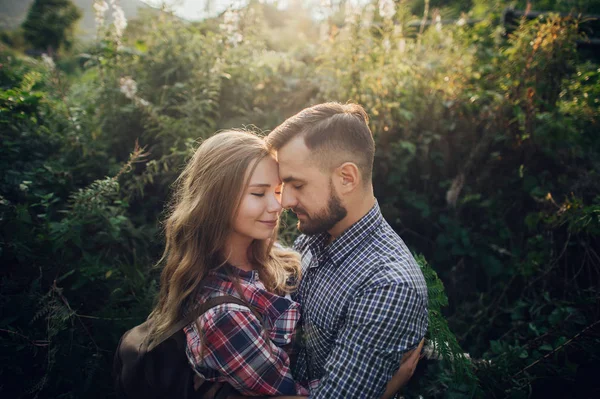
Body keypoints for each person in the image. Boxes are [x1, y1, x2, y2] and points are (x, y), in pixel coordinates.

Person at [266, 102, 429, 398]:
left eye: (297, 185)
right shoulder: (316, 235)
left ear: (347, 178)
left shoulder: (387, 287)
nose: (285, 201)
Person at [147, 130, 309, 397]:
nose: (276, 205)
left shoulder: (273, 255)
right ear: (217, 201)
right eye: (258, 194)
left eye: (277, 191)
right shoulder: (224, 317)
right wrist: (387, 380)